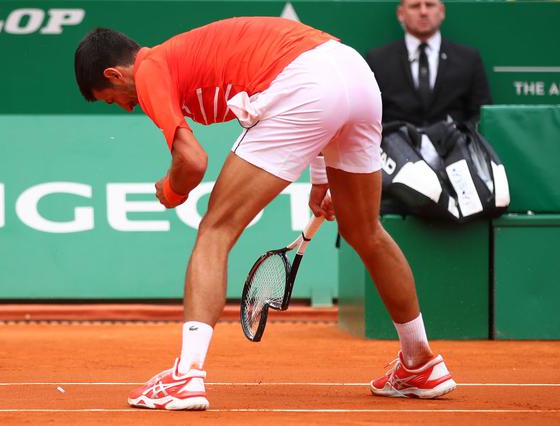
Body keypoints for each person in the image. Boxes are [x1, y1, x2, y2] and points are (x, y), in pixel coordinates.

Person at [74, 17, 456, 410]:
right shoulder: (179, 59)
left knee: (214, 230)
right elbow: (323, 85)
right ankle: (420, 363)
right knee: (366, 231)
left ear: (114, 73)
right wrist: (322, 176)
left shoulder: (150, 68)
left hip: (305, 83)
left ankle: (185, 376)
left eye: (113, 97)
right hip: (354, 75)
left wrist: (171, 190)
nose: (125, 106)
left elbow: (192, 161)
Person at [366, 0, 491, 126]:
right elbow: (369, 115)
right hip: (394, 142)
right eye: (415, 6)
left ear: (441, 11)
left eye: (430, 5)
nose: (423, 12)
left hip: (453, 143)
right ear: (401, 13)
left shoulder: (468, 59)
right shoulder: (377, 60)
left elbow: (481, 115)